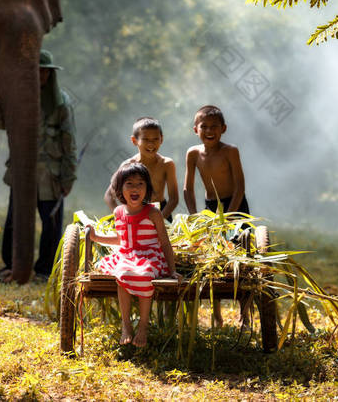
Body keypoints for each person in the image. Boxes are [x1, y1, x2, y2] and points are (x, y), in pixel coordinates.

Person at [0, 50, 77, 282]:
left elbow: (69, 142)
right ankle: (10, 264)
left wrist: (68, 177)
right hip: (22, 171)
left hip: (50, 175)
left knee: (51, 222)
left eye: (45, 72)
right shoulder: (17, 99)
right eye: (37, 71)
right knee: (15, 219)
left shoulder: (62, 103)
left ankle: (45, 269)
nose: (41, 76)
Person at [87, 163, 181, 347]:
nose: (135, 188)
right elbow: (120, 239)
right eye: (129, 183)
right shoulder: (118, 212)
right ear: (120, 189)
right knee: (122, 273)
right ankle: (126, 325)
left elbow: (164, 242)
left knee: (145, 274)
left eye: (140, 184)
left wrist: (172, 270)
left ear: (147, 188)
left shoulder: (153, 213)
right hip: (127, 256)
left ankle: (143, 326)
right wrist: (96, 237)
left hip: (149, 257)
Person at [183, 105, 250, 326]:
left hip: (235, 205)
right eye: (204, 126)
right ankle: (217, 314)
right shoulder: (193, 154)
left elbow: (240, 186)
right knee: (212, 260)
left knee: (243, 257)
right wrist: (194, 216)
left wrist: (229, 216)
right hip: (210, 208)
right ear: (195, 129)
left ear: (223, 129)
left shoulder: (230, 151)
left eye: (214, 127)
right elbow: (188, 189)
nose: (209, 131)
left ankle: (244, 313)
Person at [104, 117, 178, 221]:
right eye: (145, 139)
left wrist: (159, 220)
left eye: (155, 139)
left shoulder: (167, 164)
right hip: (135, 212)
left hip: (161, 212)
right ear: (134, 140)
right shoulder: (128, 165)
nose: (151, 144)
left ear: (161, 139)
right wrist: (121, 217)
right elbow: (109, 196)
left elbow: (174, 199)